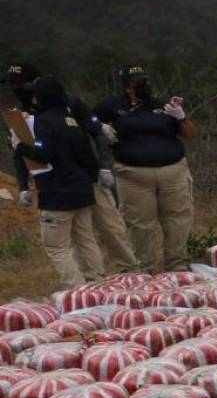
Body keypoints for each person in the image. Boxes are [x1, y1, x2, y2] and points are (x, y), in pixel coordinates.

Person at [4, 62, 140, 273]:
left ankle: (131, 270)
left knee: (109, 226)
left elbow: (96, 132)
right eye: (12, 84)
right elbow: (25, 153)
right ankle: (89, 280)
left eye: (20, 84)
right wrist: (24, 183)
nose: (16, 88)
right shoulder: (22, 114)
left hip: (86, 175)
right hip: (54, 185)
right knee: (77, 236)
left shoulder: (67, 101)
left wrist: (104, 166)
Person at [94, 65, 195, 271]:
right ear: (127, 88)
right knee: (140, 225)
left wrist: (181, 117)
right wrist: (100, 126)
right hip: (133, 175)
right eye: (138, 83)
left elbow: (189, 133)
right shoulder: (112, 107)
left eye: (145, 81)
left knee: (178, 219)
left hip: (173, 171)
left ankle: (177, 264)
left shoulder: (162, 106)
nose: (144, 86)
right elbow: (85, 117)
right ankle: (146, 268)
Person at [14, 77, 105, 288]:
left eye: (36, 93)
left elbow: (43, 153)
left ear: (43, 96)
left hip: (57, 194)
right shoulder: (72, 120)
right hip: (82, 190)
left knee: (57, 247)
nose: (33, 97)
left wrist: (22, 146)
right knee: (86, 240)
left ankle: (77, 291)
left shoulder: (43, 121)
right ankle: (98, 284)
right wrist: (90, 179)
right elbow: (89, 157)